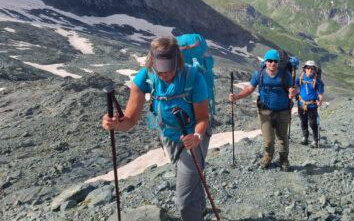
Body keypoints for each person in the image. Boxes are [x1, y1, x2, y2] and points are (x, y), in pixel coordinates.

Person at [102, 36, 211, 221]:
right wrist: (115, 124)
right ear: (152, 62)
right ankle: (199, 209)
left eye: (170, 68)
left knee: (184, 199)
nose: (165, 74)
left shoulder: (194, 78)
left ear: (178, 61)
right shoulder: (145, 77)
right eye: (160, 70)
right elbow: (129, 120)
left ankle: (193, 213)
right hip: (168, 136)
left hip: (193, 137)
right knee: (188, 179)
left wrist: (197, 136)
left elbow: (203, 118)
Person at [229, 49, 296, 171]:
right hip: (265, 111)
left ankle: (284, 160)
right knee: (268, 139)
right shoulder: (259, 74)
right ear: (265, 62)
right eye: (270, 61)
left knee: (282, 137)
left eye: (275, 61)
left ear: (278, 62)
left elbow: (293, 89)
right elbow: (249, 89)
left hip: (283, 111)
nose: (273, 64)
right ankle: (268, 157)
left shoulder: (285, 74)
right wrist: (237, 97)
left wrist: (293, 92)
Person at [295, 60, 324, 148]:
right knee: (303, 121)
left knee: (313, 123)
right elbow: (295, 88)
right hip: (301, 104)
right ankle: (305, 137)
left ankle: (315, 140)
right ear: (304, 69)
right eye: (308, 68)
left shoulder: (317, 81)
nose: (310, 70)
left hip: (312, 105)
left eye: (312, 68)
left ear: (315, 70)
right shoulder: (300, 79)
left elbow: (320, 94)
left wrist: (320, 100)